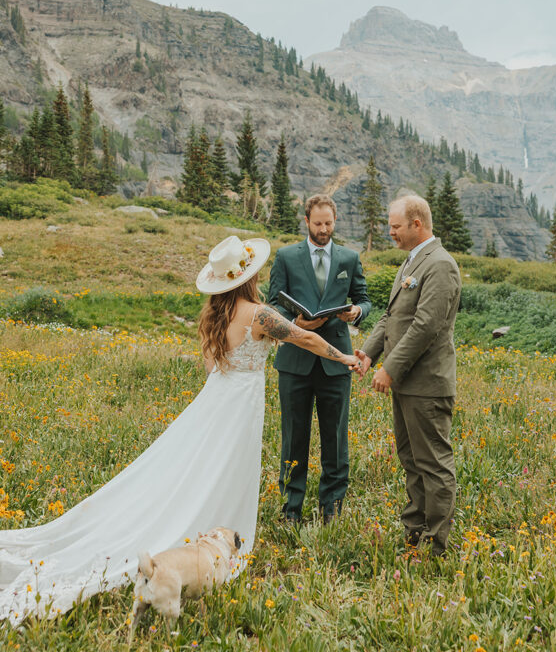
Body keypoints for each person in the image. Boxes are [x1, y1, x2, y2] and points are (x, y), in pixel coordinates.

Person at [0, 235, 359, 624]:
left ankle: (205, 529)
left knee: (199, 463)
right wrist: (344, 357)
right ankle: (216, 533)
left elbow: (212, 368)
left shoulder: (214, 315)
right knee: (227, 465)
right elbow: (304, 338)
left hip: (218, 395)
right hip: (240, 404)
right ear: (249, 278)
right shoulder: (259, 314)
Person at [355, 195, 460, 558]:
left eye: (395, 226)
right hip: (406, 385)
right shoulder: (410, 264)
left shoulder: (441, 265)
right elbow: (390, 317)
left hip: (427, 384)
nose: (390, 232)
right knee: (411, 461)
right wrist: (368, 355)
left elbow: (425, 326)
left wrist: (390, 368)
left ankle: (436, 544)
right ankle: (414, 532)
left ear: (417, 224)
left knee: (433, 463)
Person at [268, 194, 371, 523]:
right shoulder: (285, 256)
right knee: (293, 437)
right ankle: (291, 510)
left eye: (329, 223)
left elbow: (365, 300)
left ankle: (332, 510)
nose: (324, 229)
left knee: (336, 439)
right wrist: (296, 323)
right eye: (318, 224)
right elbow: (273, 305)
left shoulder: (349, 258)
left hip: (336, 362)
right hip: (295, 361)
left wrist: (356, 312)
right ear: (307, 221)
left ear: (334, 221)